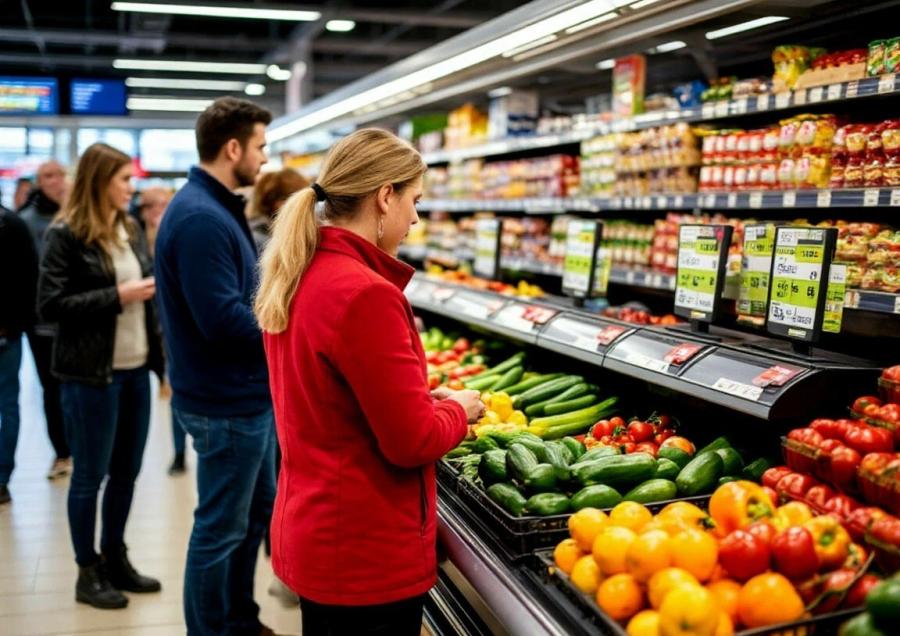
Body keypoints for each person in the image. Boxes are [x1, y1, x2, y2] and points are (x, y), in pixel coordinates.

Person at [255, 128, 485, 635]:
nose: (415, 219)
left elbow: (329, 398)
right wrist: (458, 410)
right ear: (385, 197)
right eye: (413, 201)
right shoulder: (365, 294)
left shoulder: (299, 271)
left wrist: (420, 399)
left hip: (318, 528)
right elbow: (412, 441)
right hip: (365, 548)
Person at [154, 97, 282, 636]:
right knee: (218, 530)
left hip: (242, 397)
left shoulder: (215, 206)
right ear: (233, 148)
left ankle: (238, 619)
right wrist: (291, 326)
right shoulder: (201, 218)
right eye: (259, 147)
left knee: (250, 521)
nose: (265, 158)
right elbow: (224, 320)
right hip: (224, 402)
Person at [37, 143, 164, 610]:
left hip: (134, 371)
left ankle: (116, 556)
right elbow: (50, 307)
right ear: (99, 181)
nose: (132, 188)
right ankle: (86, 571)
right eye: (124, 180)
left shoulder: (128, 229)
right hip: (90, 376)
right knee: (89, 475)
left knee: (126, 473)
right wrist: (118, 295)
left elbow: (146, 300)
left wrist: (160, 363)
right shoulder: (65, 234)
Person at [19, 159, 72, 479]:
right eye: (48, 176)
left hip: (77, 319)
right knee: (51, 388)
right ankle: (62, 451)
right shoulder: (25, 221)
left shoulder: (77, 219)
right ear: (39, 182)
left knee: (78, 388)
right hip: (40, 321)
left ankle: (82, 447)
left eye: (60, 175)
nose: (56, 181)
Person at [136, 186, 188, 475]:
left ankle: (179, 452)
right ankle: (178, 450)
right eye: (151, 205)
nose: (158, 210)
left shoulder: (177, 230)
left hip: (172, 327)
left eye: (164, 203)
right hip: (148, 328)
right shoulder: (135, 238)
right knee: (170, 391)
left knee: (175, 387)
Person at [0, 204, 39, 505]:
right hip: (9, 330)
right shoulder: (14, 222)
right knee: (8, 404)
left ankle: (2, 476)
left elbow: (29, 279)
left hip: (7, 333)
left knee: (8, 403)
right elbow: (30, 278)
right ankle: (2, 478)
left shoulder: (12, 224)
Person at [248, 168, 308, 252]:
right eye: (285, 199)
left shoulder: (302, 230)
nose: (292, 205)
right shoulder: (259, 237)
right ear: (269, 202)